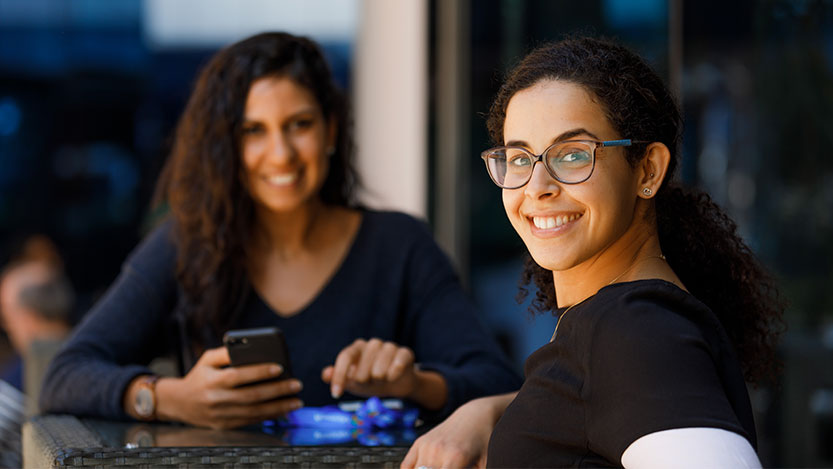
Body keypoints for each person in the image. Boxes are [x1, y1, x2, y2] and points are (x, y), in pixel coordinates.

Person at [40, 32, 521, 429]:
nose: (281, 154)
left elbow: (497, 384)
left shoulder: (399, 246)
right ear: (226, 146)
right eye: (254, 131)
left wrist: (414, 383)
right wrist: (167, 398)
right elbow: (65, 376)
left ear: (331, 130)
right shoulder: (186, 243)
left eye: (299, 124)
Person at [402, 36, 785, 468]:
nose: (537, 187)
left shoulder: (634, 332)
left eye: (571, 155)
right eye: (519, 158)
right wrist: (491, 410)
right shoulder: (620, 328)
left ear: (647, 169)